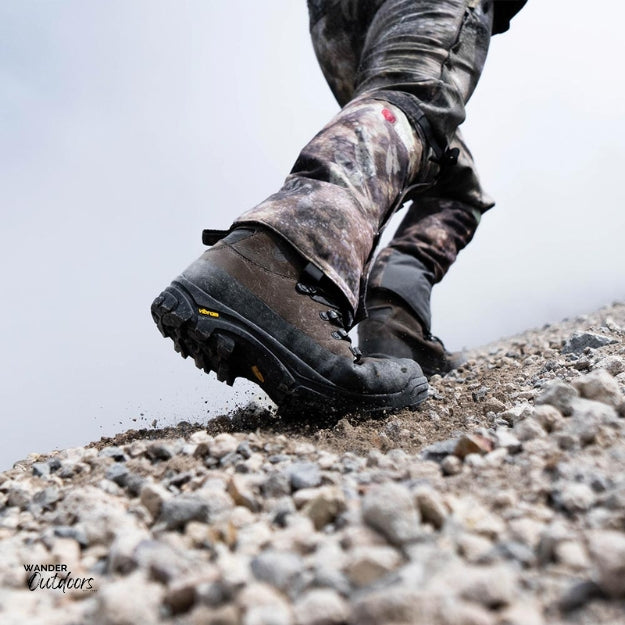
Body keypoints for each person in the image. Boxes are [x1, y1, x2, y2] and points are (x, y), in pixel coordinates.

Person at [152, 0, 527, 415]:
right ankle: (277, 265)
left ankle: (394, 325)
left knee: (449, 182)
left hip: (336, 14)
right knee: (413, 102)